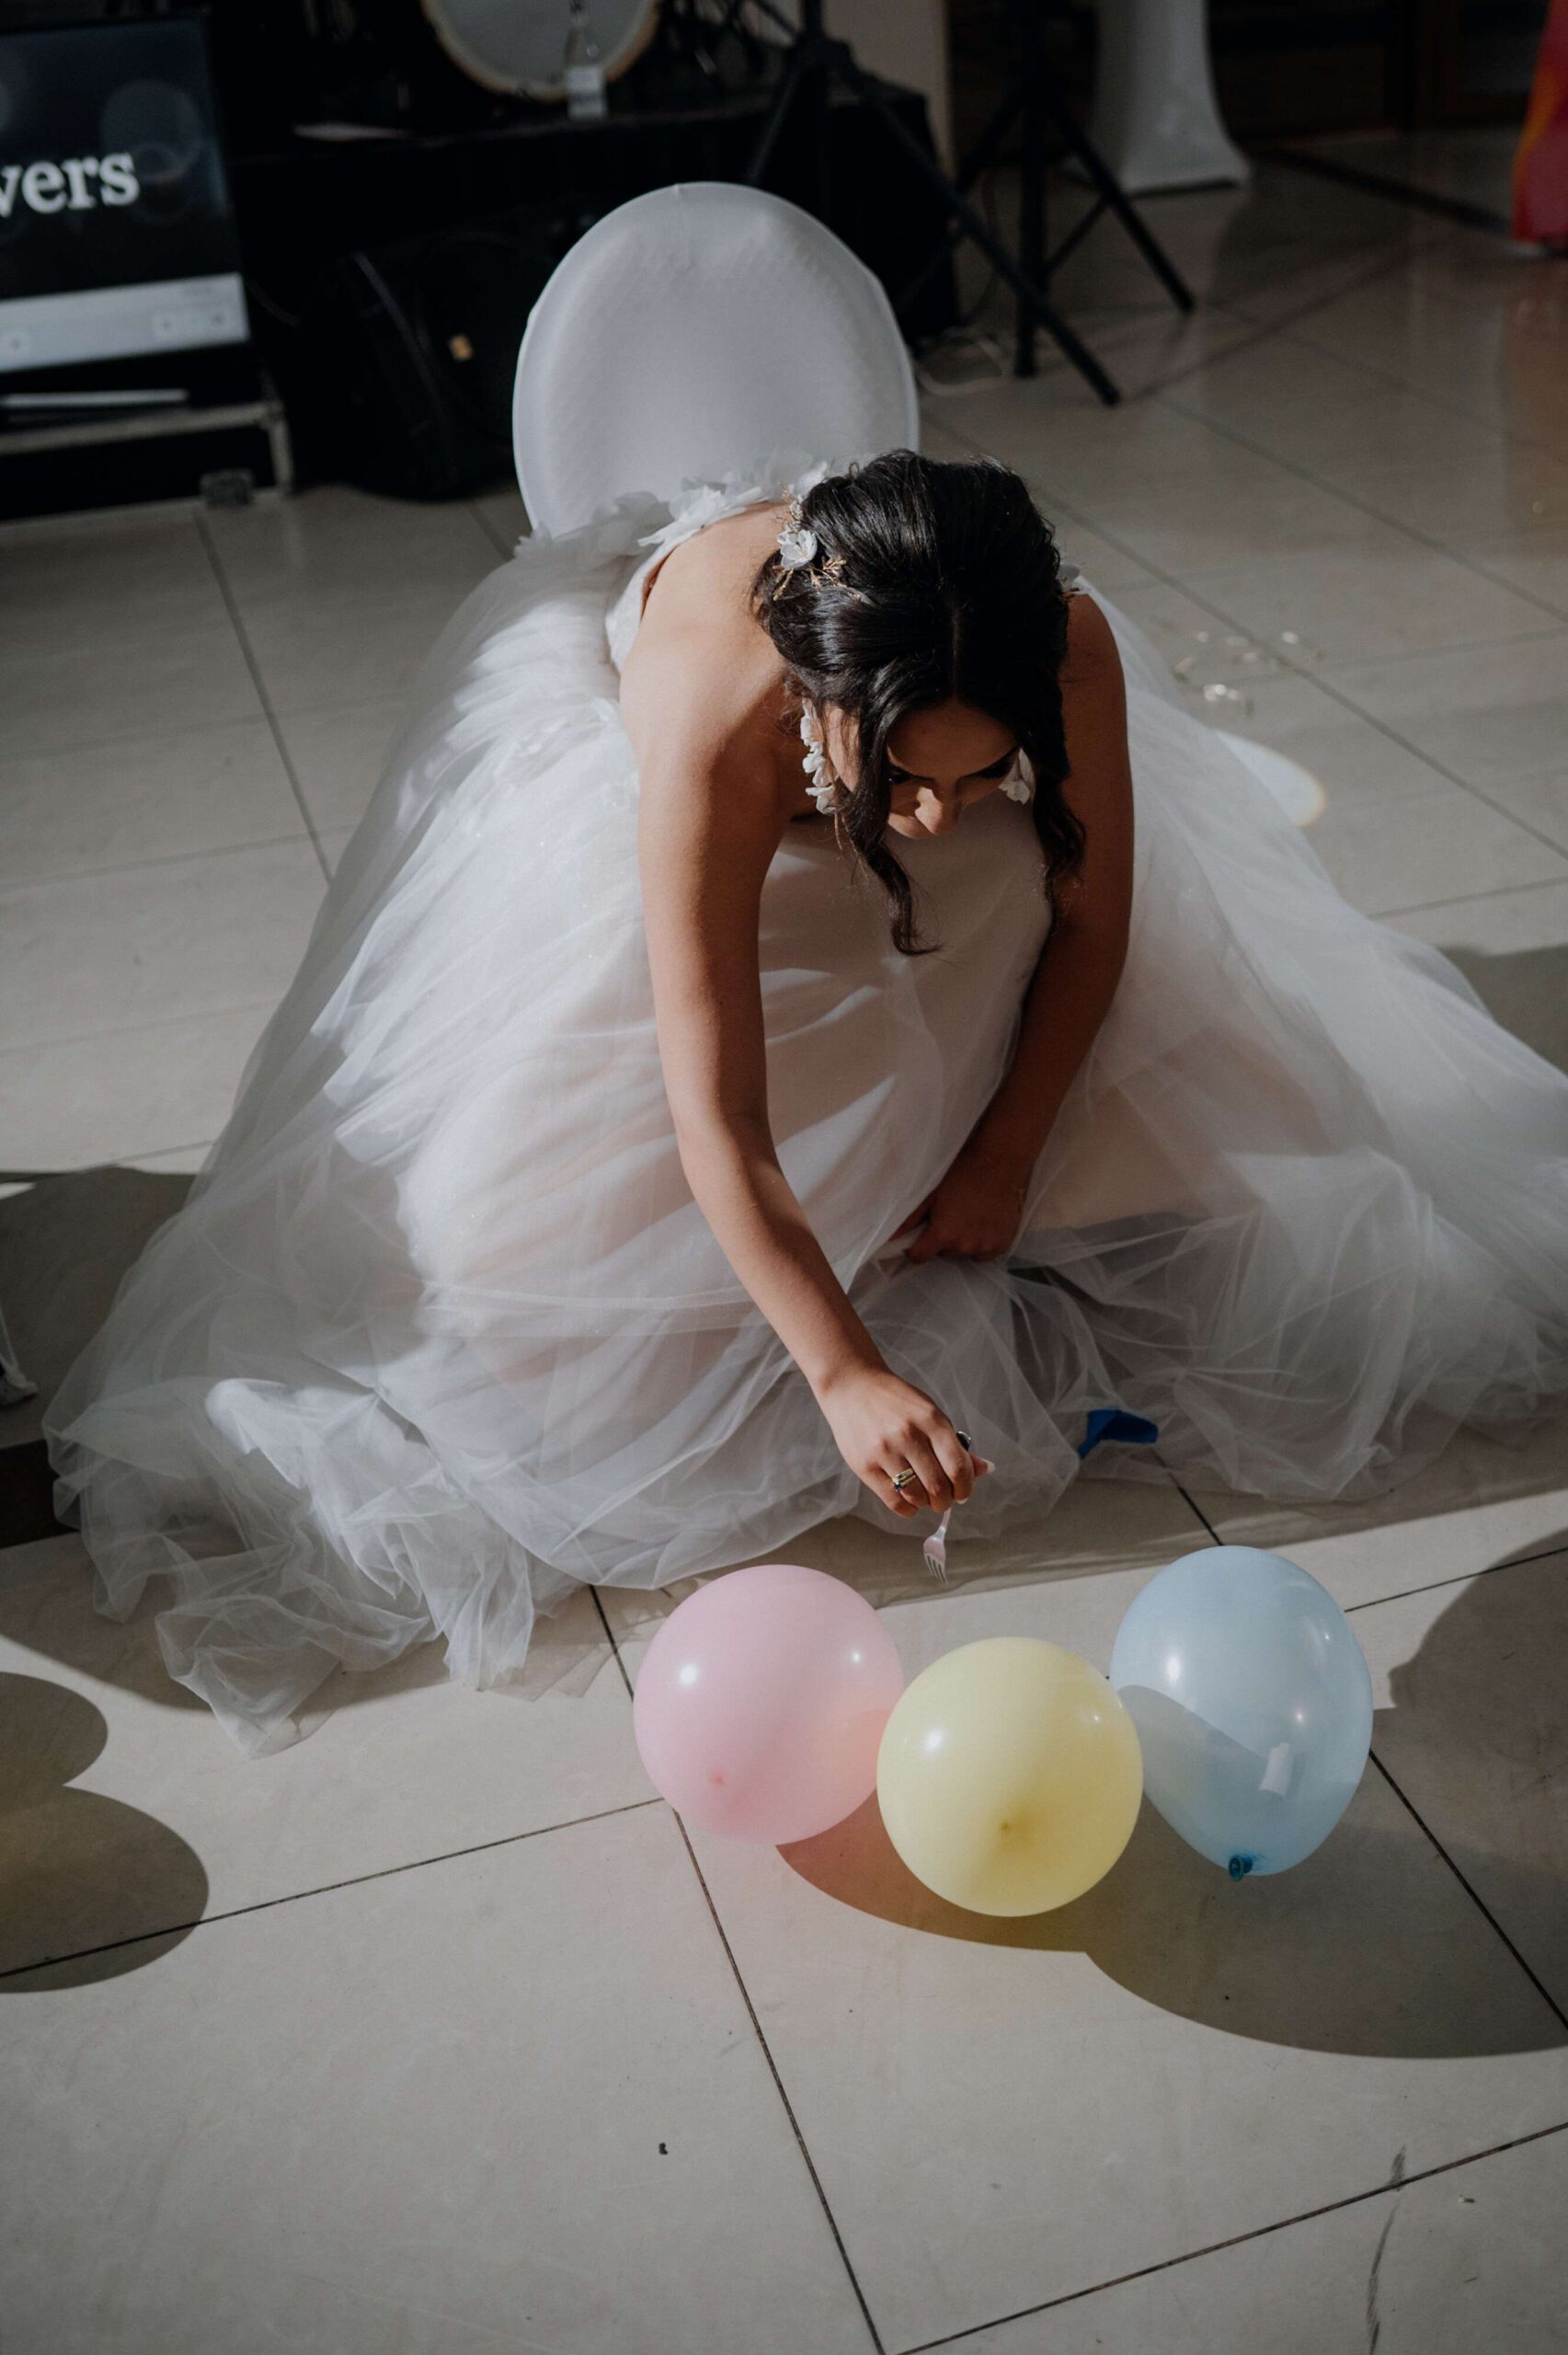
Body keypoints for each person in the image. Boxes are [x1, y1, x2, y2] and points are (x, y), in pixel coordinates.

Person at [46, 448, 1568, 1755]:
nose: (934, 815)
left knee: (998, 891)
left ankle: (972, 1164)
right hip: (628, 694)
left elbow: (1097, 923)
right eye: (902, 778)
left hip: (892, 649)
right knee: (520, 1297)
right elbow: (714, 1109)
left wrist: (1006, 1151)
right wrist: (839, 1370)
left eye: (978, 773)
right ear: (821, 705)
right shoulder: (718, 717)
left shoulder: (1063, 647)